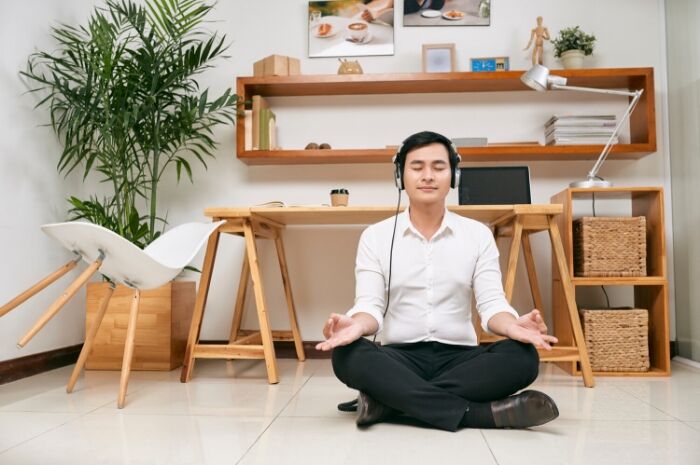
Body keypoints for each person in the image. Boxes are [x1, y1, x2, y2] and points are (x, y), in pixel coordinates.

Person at [315, 131, 559, 432]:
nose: (428, 176)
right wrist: (356, 325)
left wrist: (512, 326)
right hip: (399, 357)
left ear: (453, 175)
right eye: (417, 167)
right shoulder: (375, 237)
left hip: (461, 358)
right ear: (400, 176)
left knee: (522, 358)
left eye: (438, 167)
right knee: (348, 353)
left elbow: (492, 304)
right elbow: (370, 306)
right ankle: (476, 414)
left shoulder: (477, 234)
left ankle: (389, 401)